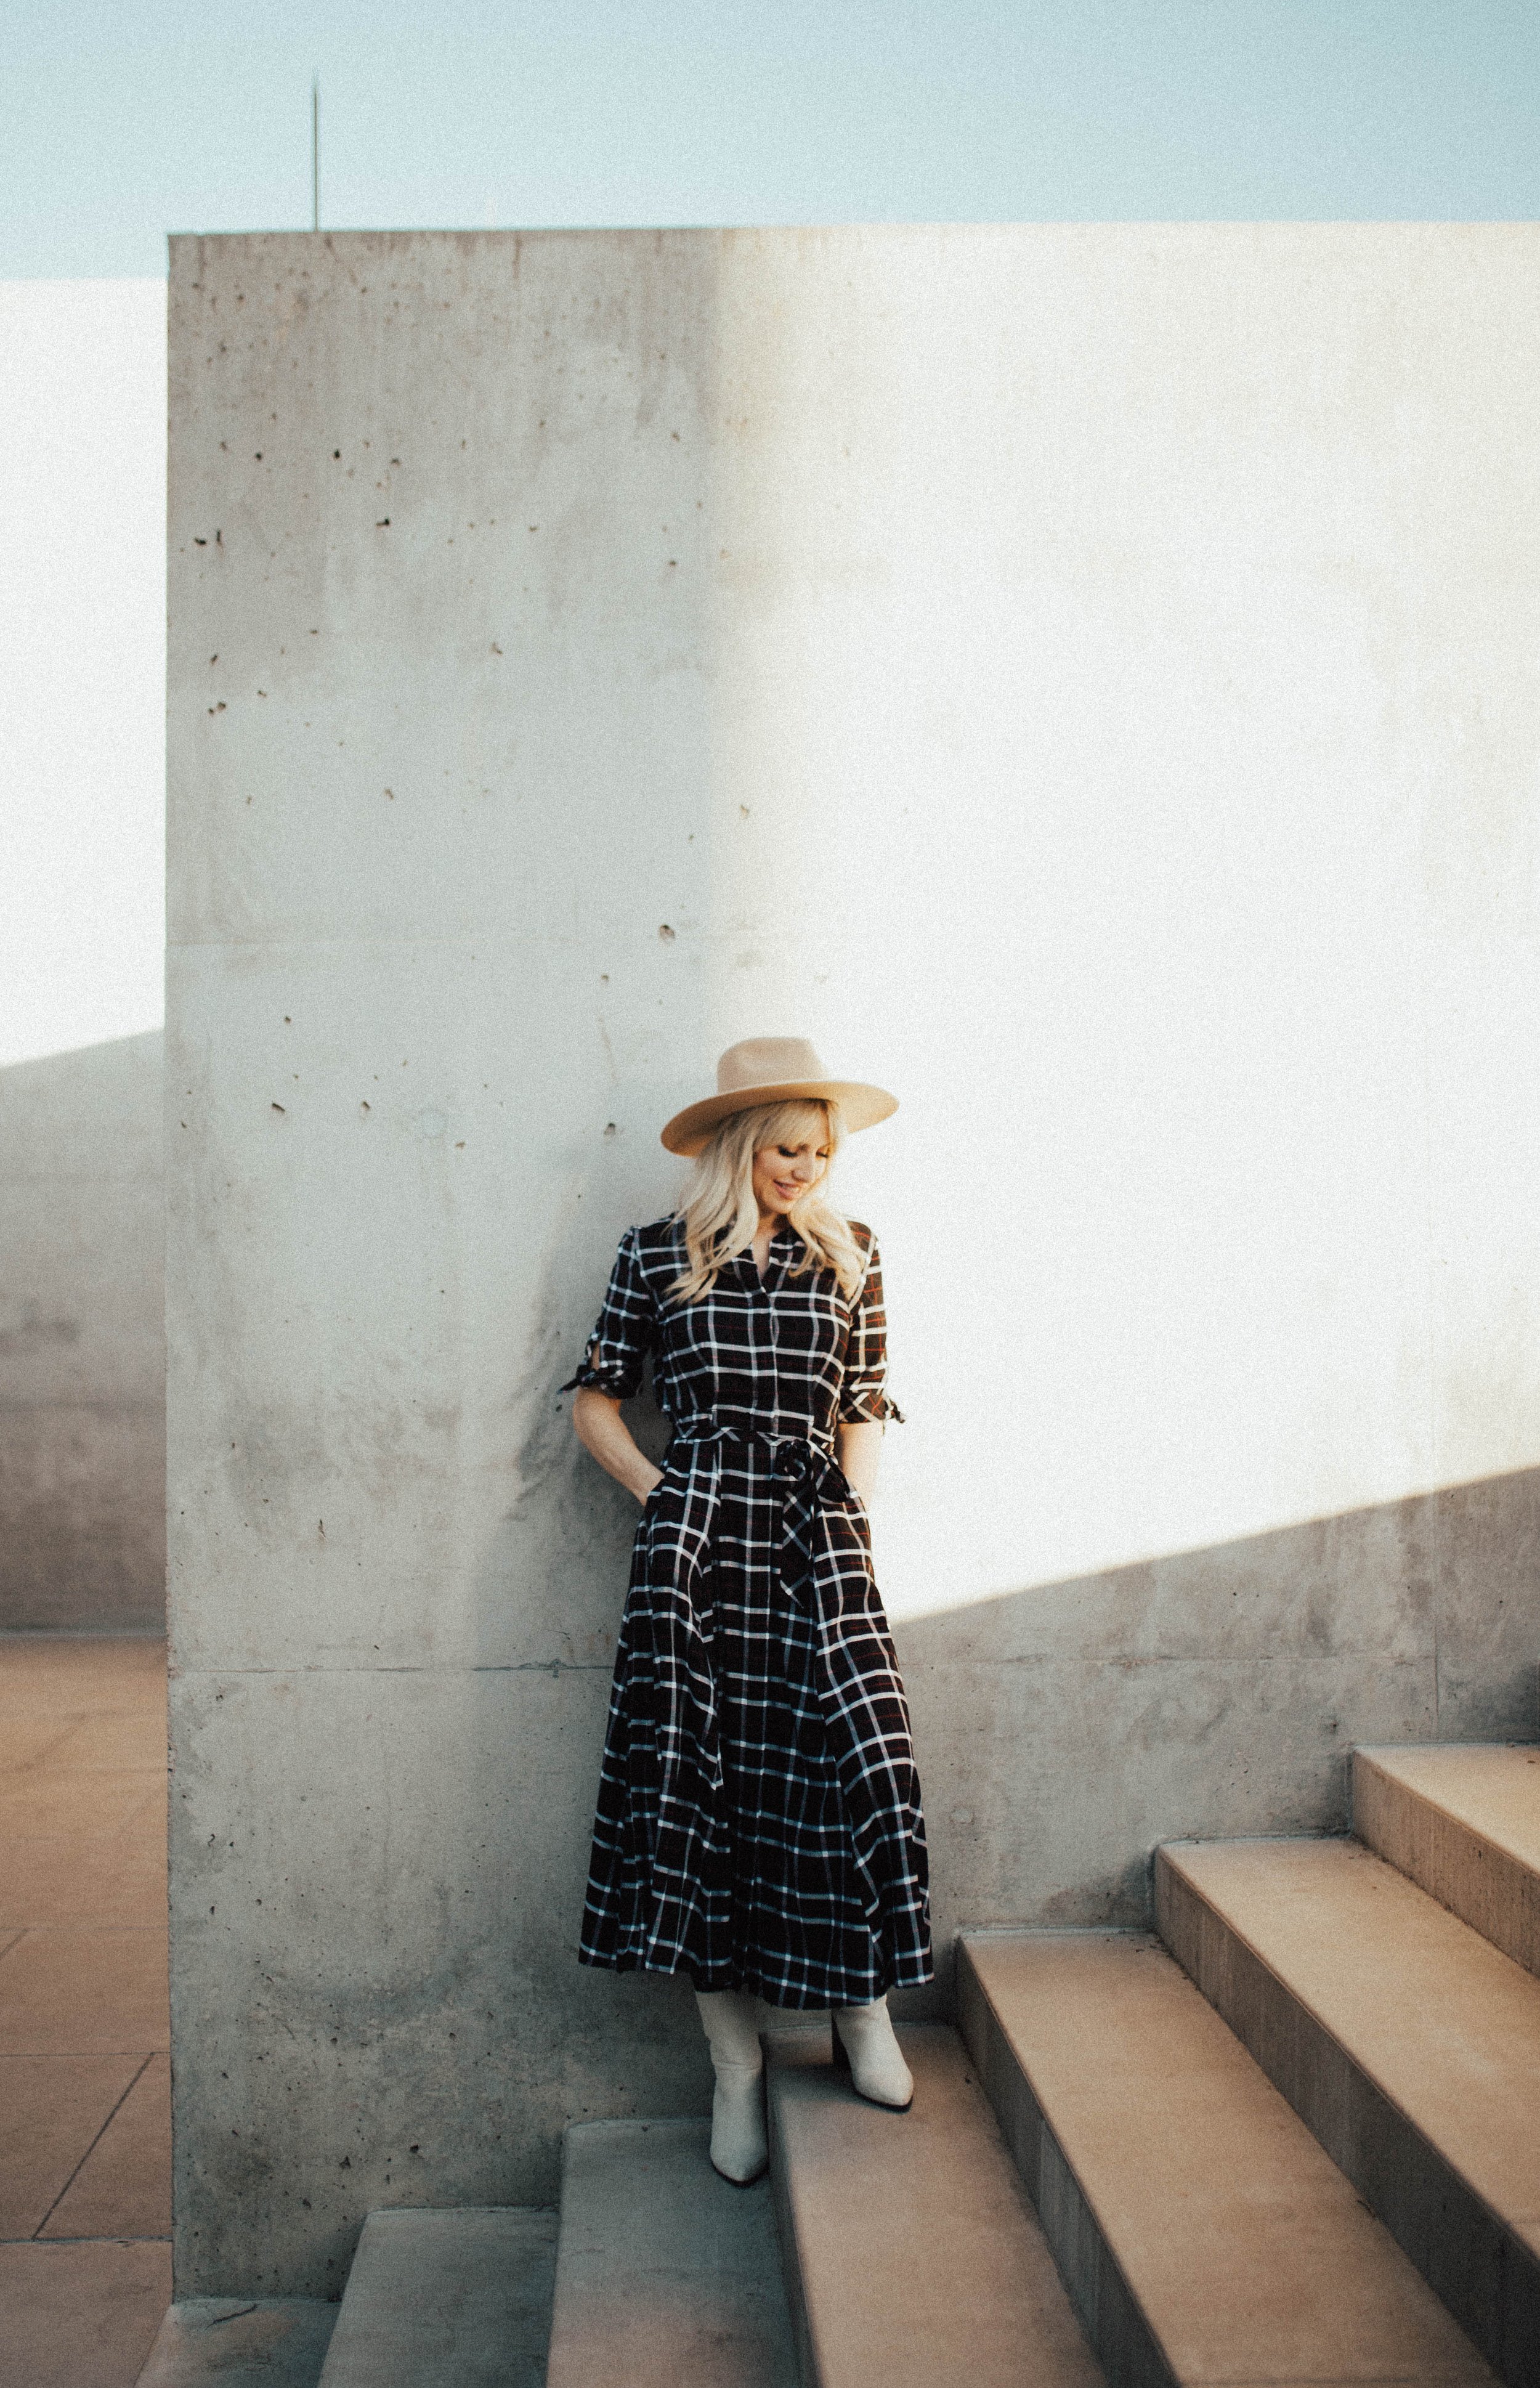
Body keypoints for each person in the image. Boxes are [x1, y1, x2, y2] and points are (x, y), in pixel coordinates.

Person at [563, 1036, 932, 2184]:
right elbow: (594, 1396)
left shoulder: (854, 1254)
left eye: (819, 1152)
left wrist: (851, 1517)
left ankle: (858, 2012)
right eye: (785, 1149)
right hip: (696, 1547)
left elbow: (866, 1398)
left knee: (858, 1763)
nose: (805, 1169)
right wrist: (663, 1492)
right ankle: (735, 2065)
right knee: (699, 1793)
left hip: (817, 1538)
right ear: (739, 1147)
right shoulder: (656, 1255)